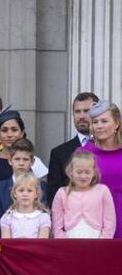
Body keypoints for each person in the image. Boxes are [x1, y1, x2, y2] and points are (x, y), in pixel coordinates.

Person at [0, 109, 48, 236]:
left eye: (14, 129)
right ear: (11, 161)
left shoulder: (38, 171)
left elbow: (43, 212)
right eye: (4, 130)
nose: (10, 134)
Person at [79, 101, 122, 238]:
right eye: (95, 122)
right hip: (93, 220)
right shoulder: (83, 153)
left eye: (104, 121)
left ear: (116, 124)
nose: (99, 126)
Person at [48, 92, 100, 205]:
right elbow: (53, 196)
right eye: (77, 111)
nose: (81, 116)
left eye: (86, 111)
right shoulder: (59, 153)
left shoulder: (111, 148)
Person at [52, 151, 115, 238]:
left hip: (97, 240)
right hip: (69, 241)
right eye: (79, 172)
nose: (83, 176)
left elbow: (110, 220)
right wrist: (62, 240)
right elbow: (56, 223)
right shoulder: (62, 193)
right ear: (71, 172)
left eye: (87, 172)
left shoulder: (103, 191)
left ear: (94, 172)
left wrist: (104, 239)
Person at [0, 139, 47, 237]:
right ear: (10, 161)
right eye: (17, 159)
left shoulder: (42, 187)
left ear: (32, 161)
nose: (21, 163)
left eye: (25, 159)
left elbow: (43, 216)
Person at [0, 172, 51, 239]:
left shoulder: (43, 218)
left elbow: (42, 244)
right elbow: (6, 243)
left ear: (36, 194)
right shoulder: (7, 218)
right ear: (15, 193)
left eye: (29, 191)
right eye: (21, 190)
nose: (25, 194)